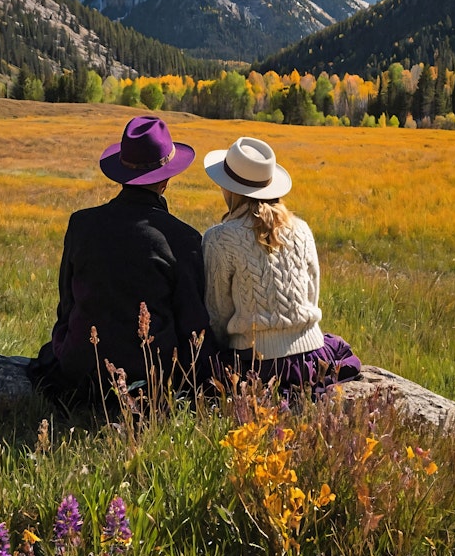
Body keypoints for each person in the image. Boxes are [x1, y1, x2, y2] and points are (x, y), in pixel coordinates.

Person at [29, 115, 216, 407]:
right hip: (151, 378)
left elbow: (66, 307)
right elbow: (193, 328)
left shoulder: (81, 224)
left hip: (81, 369)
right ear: (166, 179)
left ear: (121, 172)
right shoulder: (183, 239)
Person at [202, 136, 360, 397]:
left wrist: (221, 354)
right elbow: (312, 296)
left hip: (256, 365)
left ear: (229, 188)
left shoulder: (219, 238)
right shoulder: (302, 229)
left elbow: (218, 314)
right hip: (310, 358)